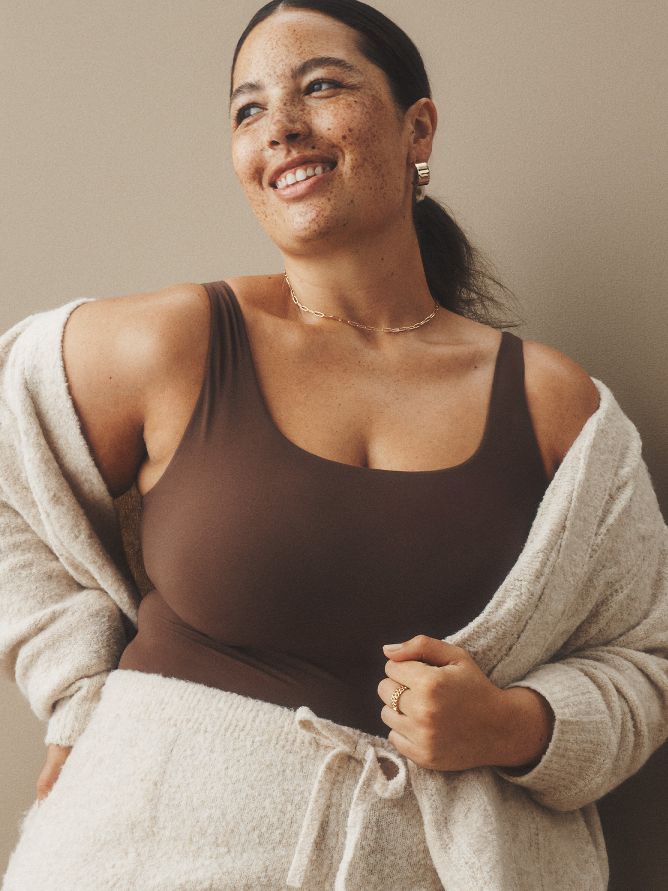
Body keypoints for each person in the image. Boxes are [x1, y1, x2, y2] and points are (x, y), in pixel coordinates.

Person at [2, 2, 667, 889]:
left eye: (320, 86)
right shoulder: (177, 344)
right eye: (247, 110)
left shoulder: (556, 408)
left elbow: (643, 660)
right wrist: (74, 689)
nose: (280, 127)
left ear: (416, 127)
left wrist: (512, 724)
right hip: (141, 853)